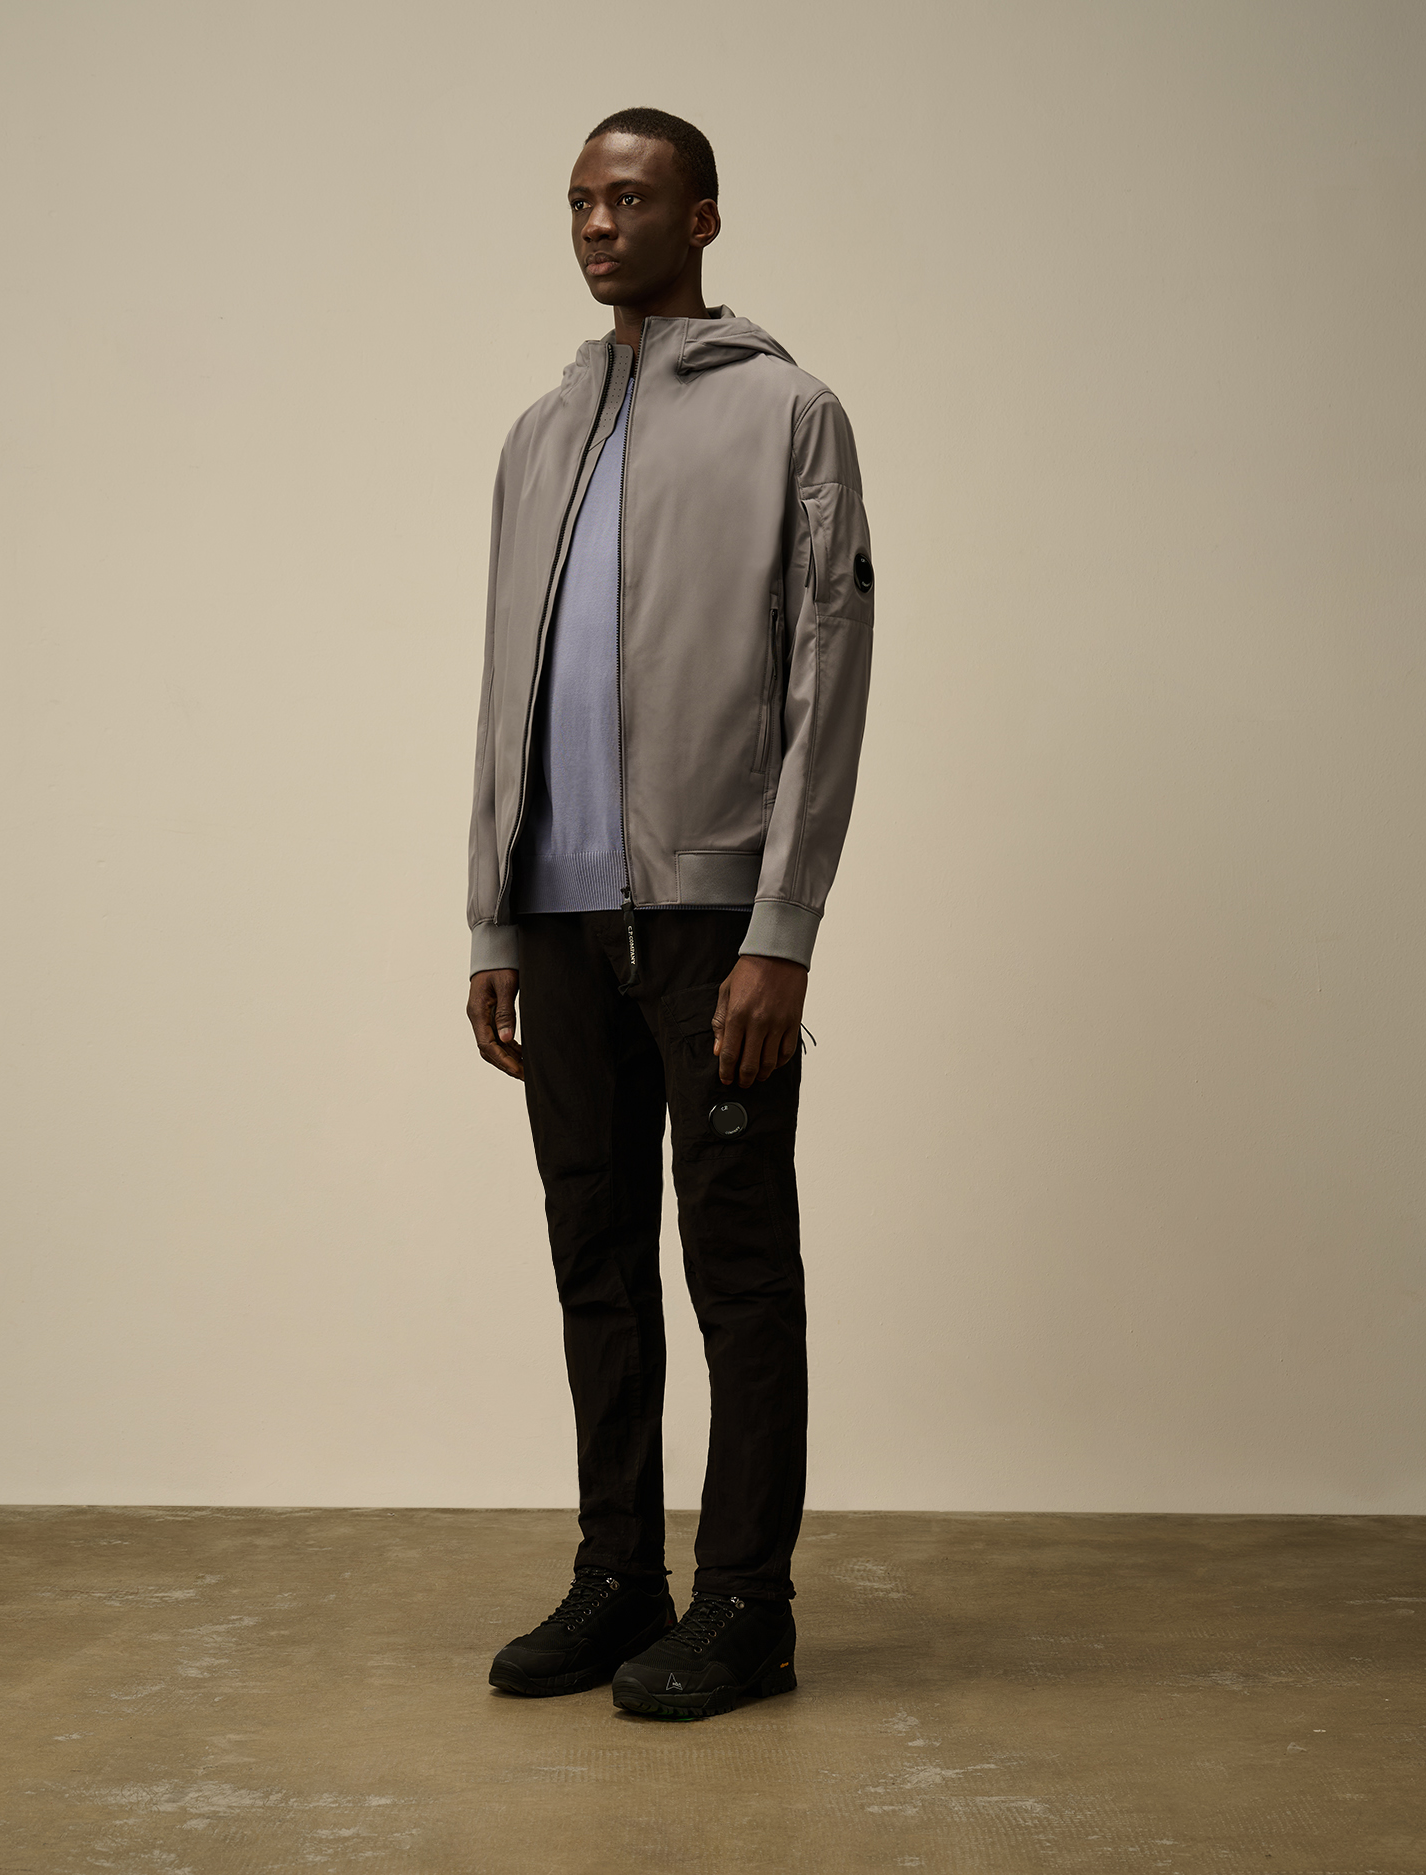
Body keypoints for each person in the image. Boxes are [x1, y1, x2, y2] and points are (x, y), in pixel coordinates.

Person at [465, 107, 874, 1721]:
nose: (597, 223)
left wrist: (785, 926)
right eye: (580, 199)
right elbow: (501, 691)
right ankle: (617, 1577)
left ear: (701, 218)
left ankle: (747, 1604)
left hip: (714, 916)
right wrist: (492, 917)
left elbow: (828, 676)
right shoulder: (535, 437)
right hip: (558, 914)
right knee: (594, 1258)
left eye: (630, 198)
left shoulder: (790, 412)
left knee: (736, 1264)